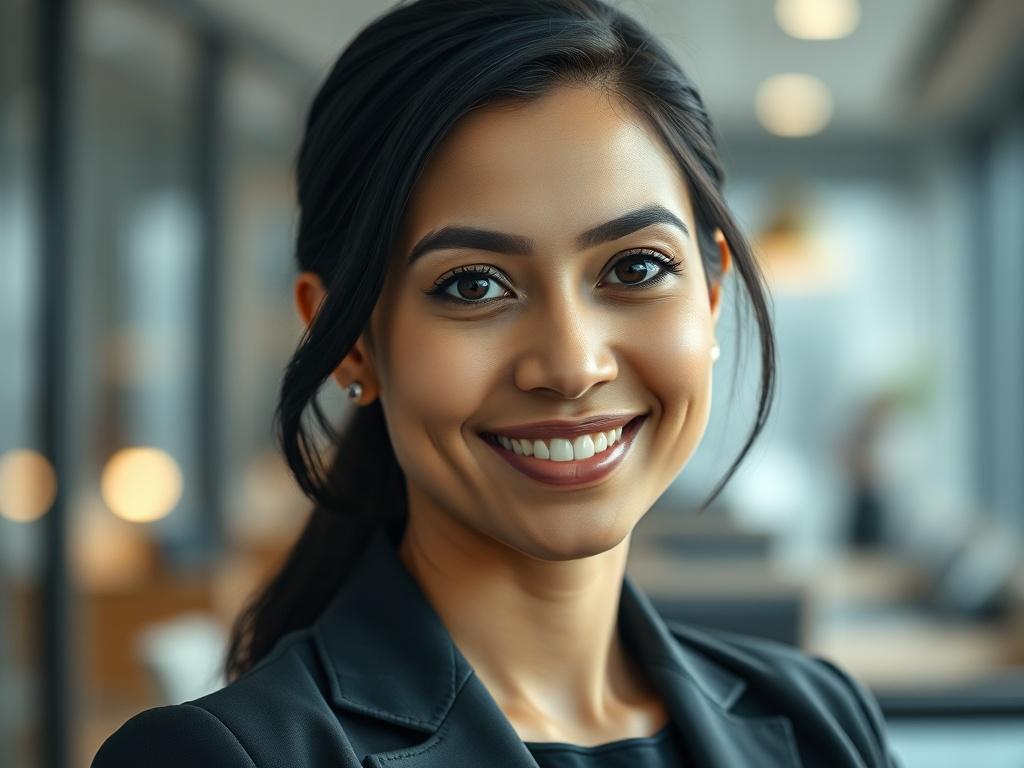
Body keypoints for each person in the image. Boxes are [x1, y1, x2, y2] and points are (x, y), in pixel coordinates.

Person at [94, 0, 902, 765]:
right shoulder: (224, 760)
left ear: (712, 296)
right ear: (346, 342)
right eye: (473, 285)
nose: (572, 364)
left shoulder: (821, 722)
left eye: (636, 267)